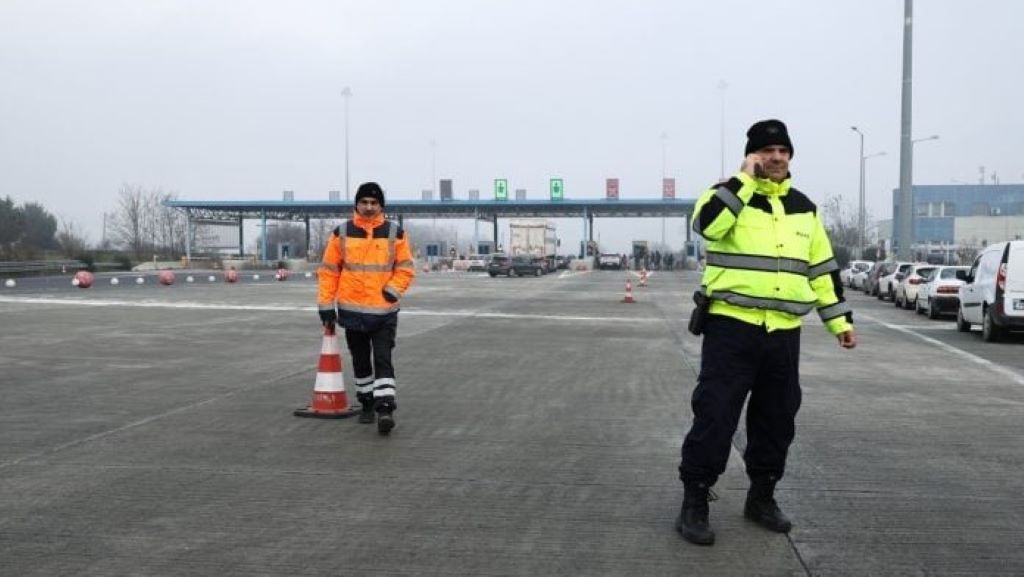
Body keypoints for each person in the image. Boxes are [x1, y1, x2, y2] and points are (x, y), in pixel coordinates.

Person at [676, 119, 857, 545]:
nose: (776, 158)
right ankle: (695, 500)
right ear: (752, 155)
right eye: (767, 150)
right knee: (715, 415)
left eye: (783, 151)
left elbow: (821, 269)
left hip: (783, 333)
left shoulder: (804, 208)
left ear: (790, 156)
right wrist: (743, 181)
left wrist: (840, 322)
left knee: (777, 419)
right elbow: (708, 227)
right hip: (731, 328)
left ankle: (761, 497)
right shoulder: (724, 194)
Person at [317, 182, 416, 435]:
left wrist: (392, 291)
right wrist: (326, 306)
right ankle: (367, 404)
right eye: (364, 202)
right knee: (361, 361)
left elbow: (405, 268)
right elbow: (329, 272)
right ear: (356, 204)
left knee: (383, 359)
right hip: (352, 313)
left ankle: (385, 409)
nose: (369, 207)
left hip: (384, 312)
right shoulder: (341, 233)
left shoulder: (395, 233)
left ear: (381, 205)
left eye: (374, 202)